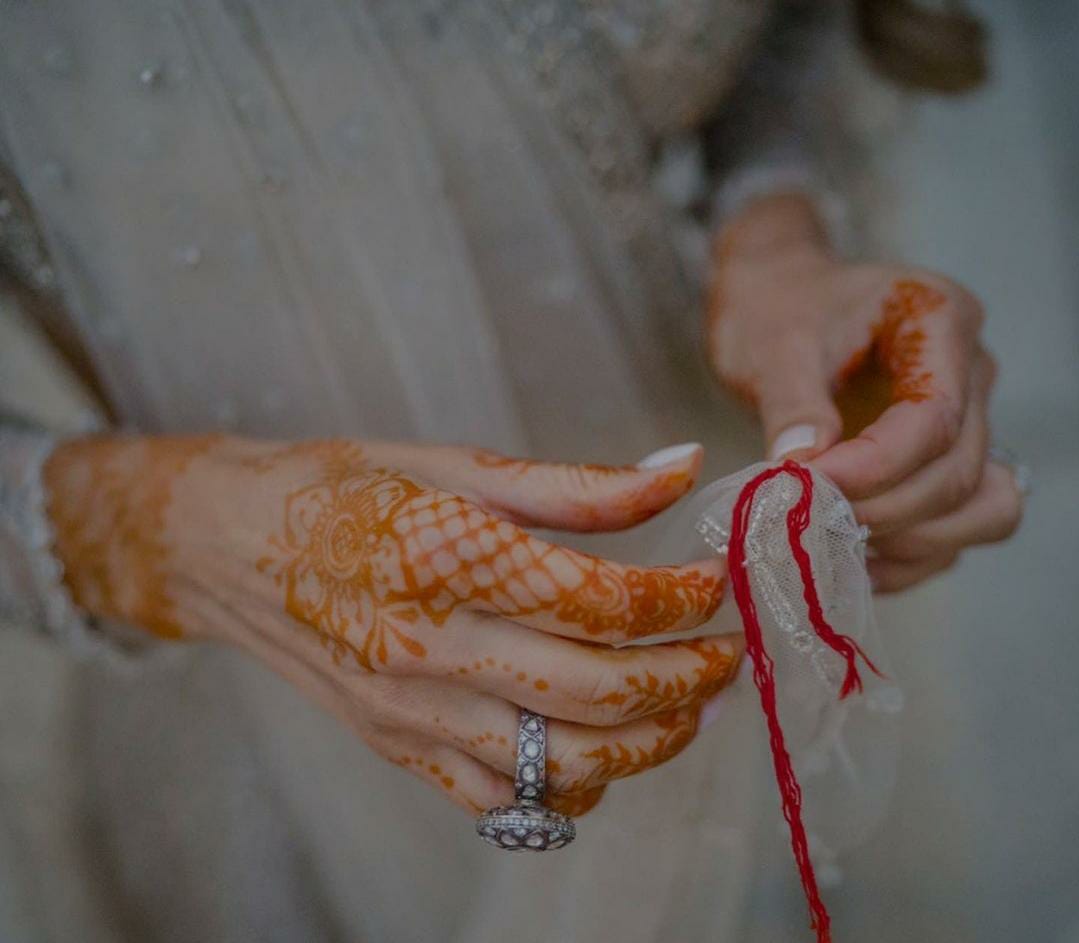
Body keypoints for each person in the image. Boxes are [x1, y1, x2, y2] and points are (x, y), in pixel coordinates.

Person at [0, 2, 1023, 940]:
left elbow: (786, 33)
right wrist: (159, 530)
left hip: (711, 548)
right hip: (255, 675)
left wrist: (774, 233)